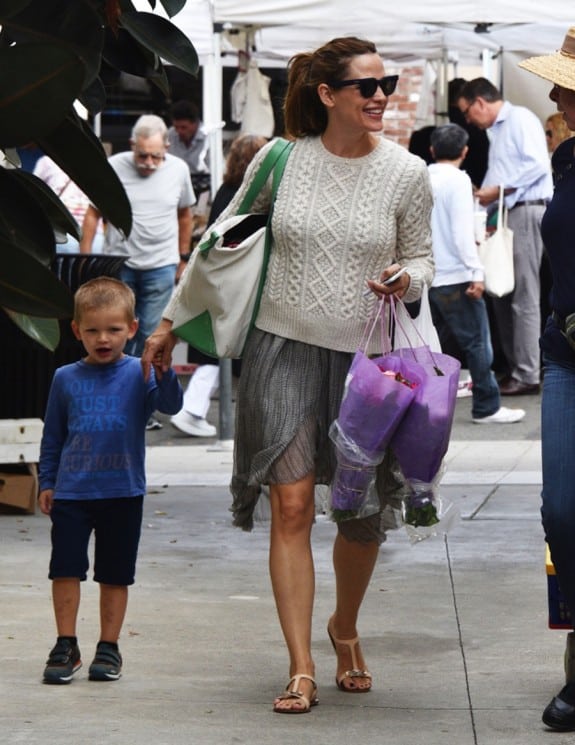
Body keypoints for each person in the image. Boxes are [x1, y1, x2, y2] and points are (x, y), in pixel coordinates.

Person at [142, 36, 434, 713]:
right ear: (327, 94)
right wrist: (164, 323)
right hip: (280, 349)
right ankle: (301, 662)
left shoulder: (406, 172)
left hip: (368, 362)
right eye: (365, 85)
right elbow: (218, 248)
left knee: (358, 515)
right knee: (293, 504)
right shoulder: (279, 161)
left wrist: (404, 275)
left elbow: (424, 260)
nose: (380, 95)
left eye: (384, 83)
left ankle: (345, 627)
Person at [38, 277, 183, 684]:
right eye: (93, 330)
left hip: (123, 491)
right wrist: (46, 480)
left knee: (114, 573)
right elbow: (53, 435)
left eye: (114, 329)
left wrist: (164, 370)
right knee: (64, 569)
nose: (103, 338)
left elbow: (171, 406)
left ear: (132, 329)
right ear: (76, 330)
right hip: (72, 492)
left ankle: (109, 646)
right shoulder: (64, 378)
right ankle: (65, 643)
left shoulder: (140, 373)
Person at [519, 26, 575, 732]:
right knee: (561, 511)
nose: (558, 93)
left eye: (568, 83)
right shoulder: (566, 157)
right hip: (565, 353)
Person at [80, 115, 193, 429]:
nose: (149, 162)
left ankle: (141, 406)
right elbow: (92, 214)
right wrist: (87, 259)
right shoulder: (115, 166)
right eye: (142, 154)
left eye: (156, 155)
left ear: (166, 148)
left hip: (161, 264)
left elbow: (185, 216)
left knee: (149, 337)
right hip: (120, 262)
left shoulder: (178, 169)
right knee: (117, 335)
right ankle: (116, 400)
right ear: (132, 146)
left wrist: (183, 258)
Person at [457, 78, 553, 396]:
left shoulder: (521, 118)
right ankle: (517, 369)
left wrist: (496, 191)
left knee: (524, 295)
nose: (468, 119)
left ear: (480, 102)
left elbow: (538, 166)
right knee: (502, 291)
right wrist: (483, 201)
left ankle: (527, 372)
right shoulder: (496, 130)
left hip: (526, 210)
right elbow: (498, 176)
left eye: (467, 112)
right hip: (508, 212)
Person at [171, 134, 268, 438]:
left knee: (216, 344)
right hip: (242, 279)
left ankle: (192, 408)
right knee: (227, 347)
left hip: (221, 275)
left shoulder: (226, 190)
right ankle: (192, 409)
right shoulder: (254, 194)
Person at [427, 123, 525, 424]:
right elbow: (461, 233)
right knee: (478, 343)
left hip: (428, 274)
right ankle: (486, 406)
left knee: (432, 347)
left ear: (432, 150)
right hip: (457, 274)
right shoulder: (458, 181)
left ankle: (427, 406)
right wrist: (476, 272)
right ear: (465, 151)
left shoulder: (421, 176)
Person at [33, 155, 104, 253]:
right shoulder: (100, 167)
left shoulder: (48, 161)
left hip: (61, 232)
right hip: (96, 238)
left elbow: (34, 195)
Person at [167, 100, 210, 195]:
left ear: (196, 123)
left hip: (204, 187)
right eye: (176, 127)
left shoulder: (209, 137)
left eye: (183, 127)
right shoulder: (170, 134)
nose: (179, 131)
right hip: (175, 186)